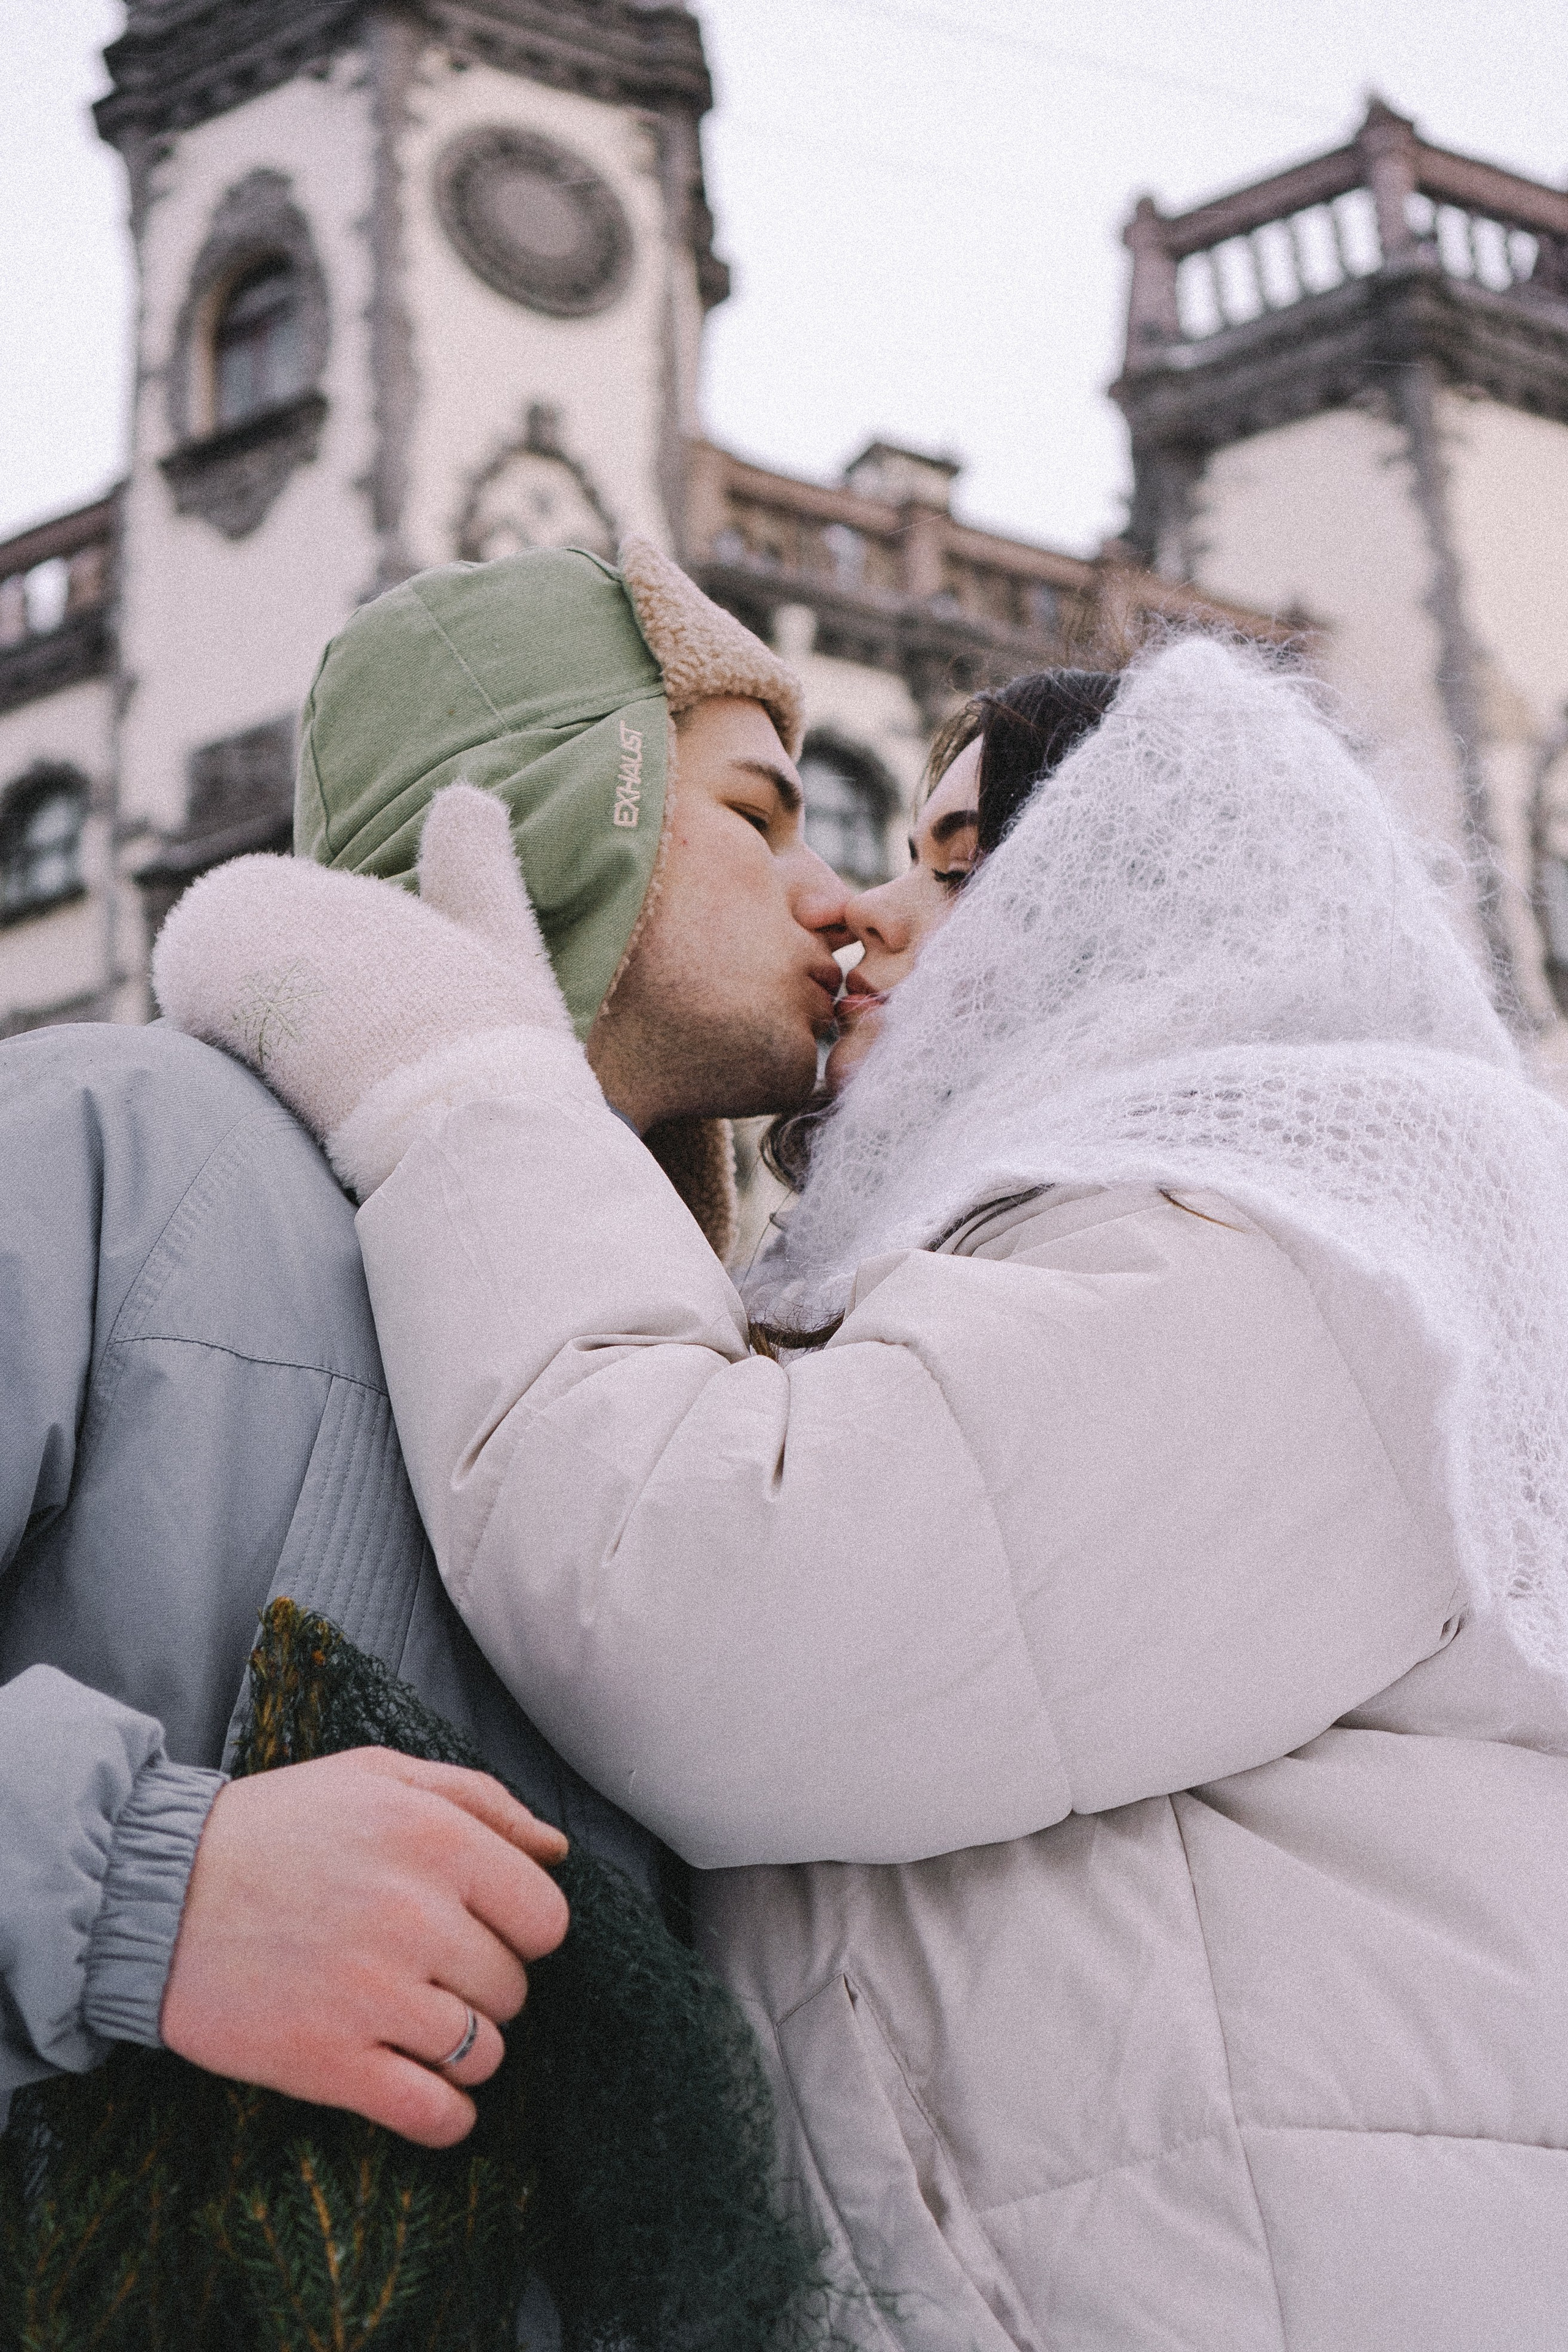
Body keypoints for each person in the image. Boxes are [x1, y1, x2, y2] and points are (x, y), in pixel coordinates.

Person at [160, 605, 1568, 2346]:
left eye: (963, 869)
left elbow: (715, 1597)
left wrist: (464, 1082)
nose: (863, 914)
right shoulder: (1086, 1255)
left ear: (1152, 906)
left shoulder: (1322, 1242)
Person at [0, 535, 848, 2151]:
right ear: (558, 803)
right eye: (757, 814)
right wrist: (143, 1890)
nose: (837, 900)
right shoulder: (115, 1146)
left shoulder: (695, 1394)